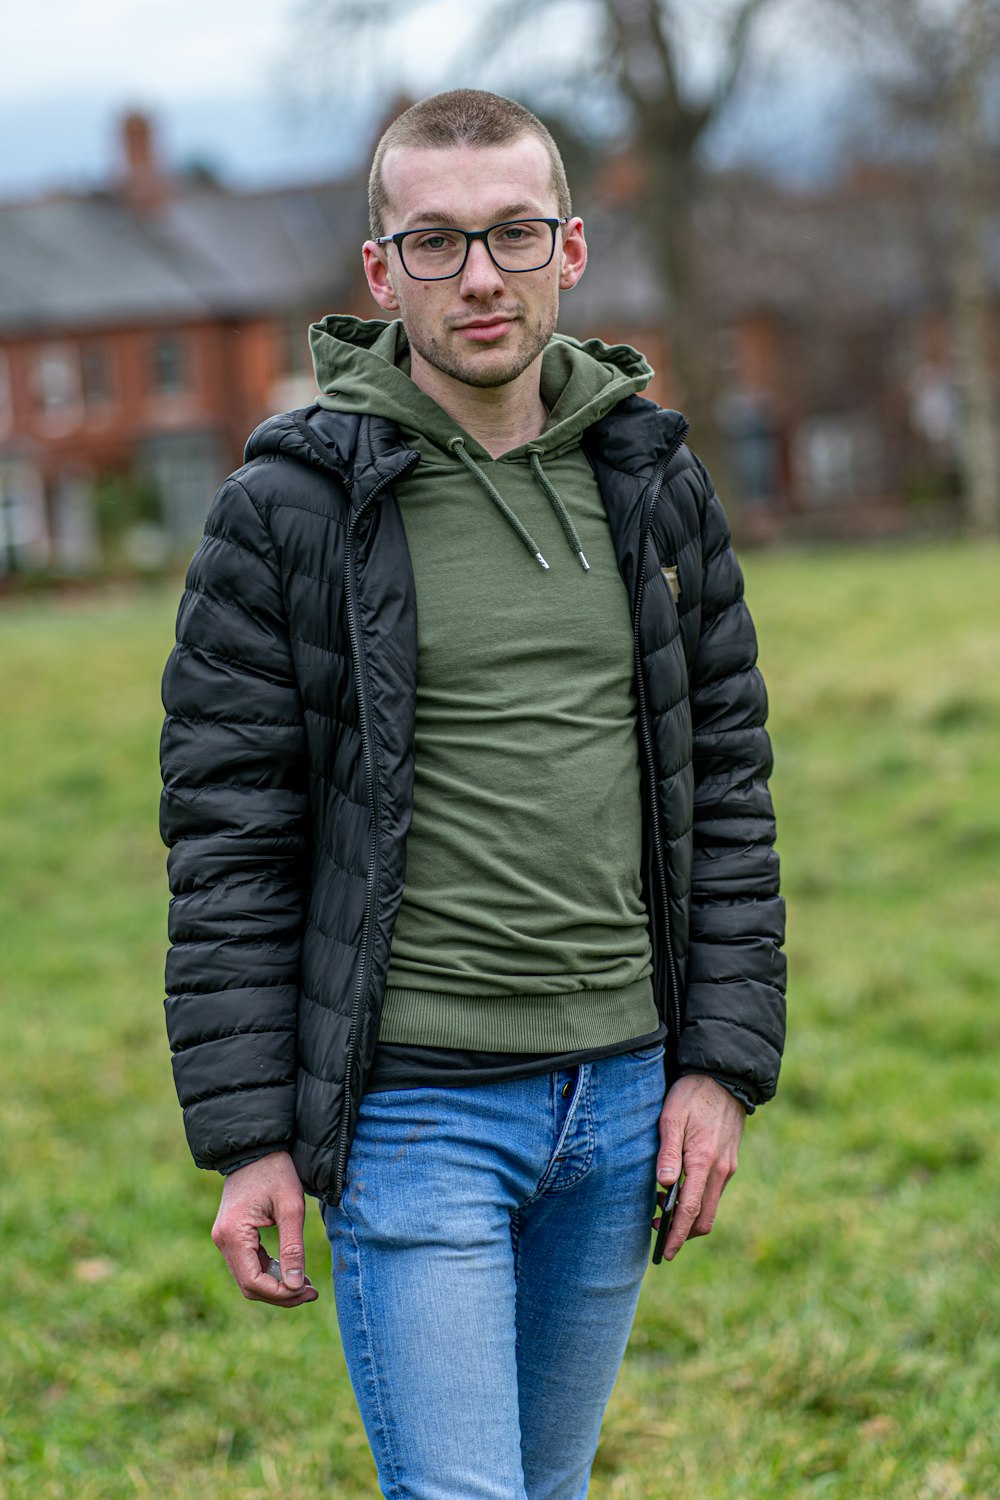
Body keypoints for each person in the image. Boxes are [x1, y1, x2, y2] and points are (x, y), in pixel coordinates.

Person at [160, 88, 785, 1500]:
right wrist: (249, 1138)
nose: (482, 277)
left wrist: (719, 1066)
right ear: (381, 272)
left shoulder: (654, 482)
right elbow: (231, 841)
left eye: (512, 235)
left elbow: (727, 788)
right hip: (418, 1113)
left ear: (570, 246)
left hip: (623, 1097)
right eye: (436, 244)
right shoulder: (291, 512)